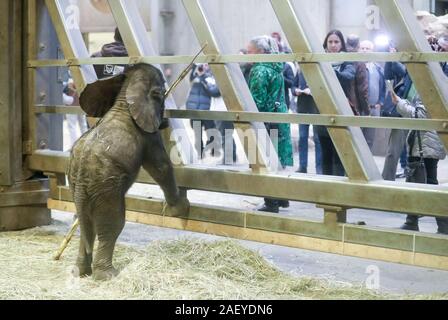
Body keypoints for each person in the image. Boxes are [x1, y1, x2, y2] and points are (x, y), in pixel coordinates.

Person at [390, 88, 448, 235]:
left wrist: (399, 103)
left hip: (425, 142)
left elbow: (420, 115)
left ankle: (440, 224)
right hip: (429, 142)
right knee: (420, 181)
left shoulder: (428, 85)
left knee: (426, 183)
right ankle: (414, 221)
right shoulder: (437, 83)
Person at [247, 35, 293, 213]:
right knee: (278, 159)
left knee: (266, 160)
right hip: (280, 116)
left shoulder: (260, 70)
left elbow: (257, 100)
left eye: (250, 52)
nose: (247, 55)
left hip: (267, 120)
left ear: (260, 52)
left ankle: (271, 202)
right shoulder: (276, 67)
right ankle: (282, 198)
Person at [315, 30, 355, 177]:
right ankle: (327, 188)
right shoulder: (318, 60)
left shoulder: (347, 61)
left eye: (336, 42)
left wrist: (328, 70)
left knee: (340, 152)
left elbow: (348, 77)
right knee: (325, 152)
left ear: (342, 44)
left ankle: (339, 187)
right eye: (330, 42)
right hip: (322, 110)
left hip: (341, 111)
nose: (333, 45)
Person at [186, 63, 221, 159]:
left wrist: (203, 78)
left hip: (207, 110)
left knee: (211, 132)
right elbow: (191, 79)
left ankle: (213, 148)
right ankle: (200, 153)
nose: (204, 67)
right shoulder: (196, 75)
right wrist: (194, 68)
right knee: (197, 133)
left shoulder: (212, 77)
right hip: (194, 110)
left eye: (206, 64)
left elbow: (214, 92)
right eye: (203, 65)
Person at [292, 69, 323, 174]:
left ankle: (319, 168)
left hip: (316, 109)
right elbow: (293, 85)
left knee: (318, 139)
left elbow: (323, 87)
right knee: (302, 138)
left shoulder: (318, 71)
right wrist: (295, 90)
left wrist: (312, 90)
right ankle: (302, 166)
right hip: (302, 108)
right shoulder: (300, 70)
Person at [359, 40, 386, 151]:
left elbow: (383, 87)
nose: (365, 51)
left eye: (367, 48)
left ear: (372, 50)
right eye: (362, 48)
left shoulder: (378, 68)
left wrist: (381, 102)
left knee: (369, 139)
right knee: (358, 139)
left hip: (374, 109)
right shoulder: (354, 66)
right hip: (359, 110)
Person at [345, 35, 369, 117]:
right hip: (353, 106)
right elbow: (362, 90)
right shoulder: (359, 61)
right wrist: (366, 111)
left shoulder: (337, 57)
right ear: (358, 45)